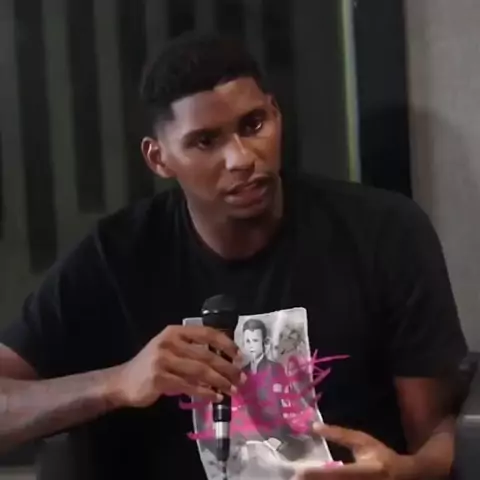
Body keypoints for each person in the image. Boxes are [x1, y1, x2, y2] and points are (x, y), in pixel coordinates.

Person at [0, 31, 468, 480]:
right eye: (205, 141)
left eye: (253, 125)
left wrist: (404, 473)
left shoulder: (382, 232)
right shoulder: (115, 259)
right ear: (159, 158)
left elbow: (438, 437)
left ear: (276, 113)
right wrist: (116, 383)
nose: (241, 158)